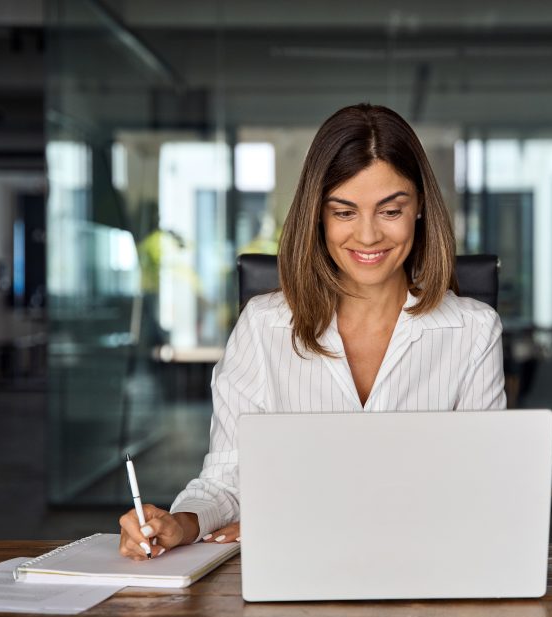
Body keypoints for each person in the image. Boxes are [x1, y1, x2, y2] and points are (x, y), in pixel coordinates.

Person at [118, 103, 506, 560]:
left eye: (390, 210)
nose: (367, 236)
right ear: (318, 217)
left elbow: (481, 491)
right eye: (343, 212)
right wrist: (181, 525)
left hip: (425, 566)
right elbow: (226, 480)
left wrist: (295, 519)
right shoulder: (263, 326)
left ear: (419, 208)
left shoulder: (473, 331)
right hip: (296, 570)